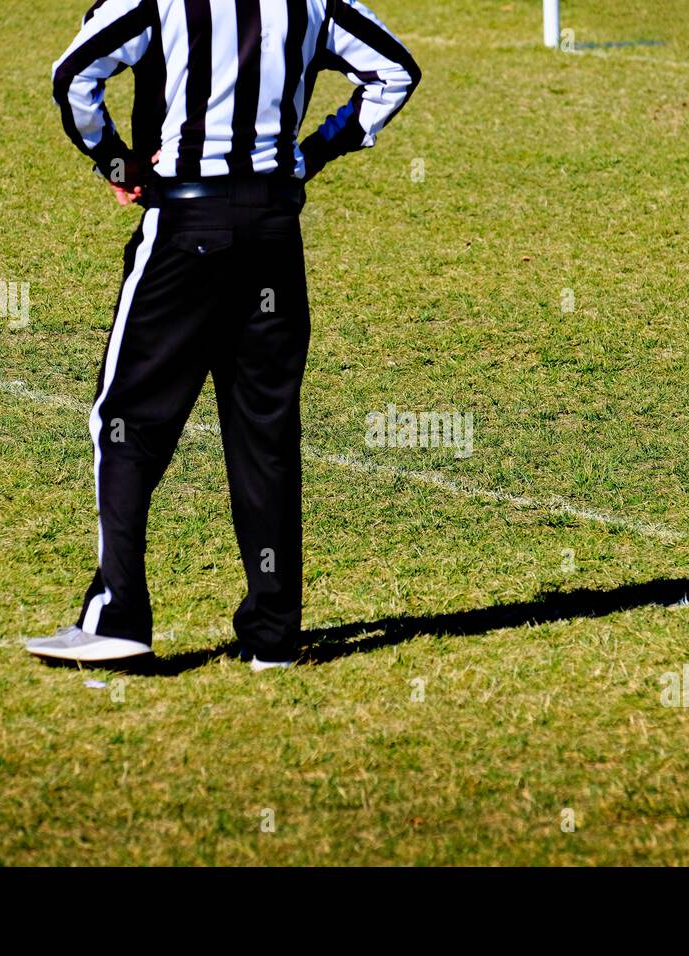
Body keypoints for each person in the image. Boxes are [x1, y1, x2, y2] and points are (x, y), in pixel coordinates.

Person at [25, 0, 420, 669]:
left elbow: (74, 76)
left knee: (125, 419)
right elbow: (395, 73)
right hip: (272, 233)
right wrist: (313, 151)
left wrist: (119, 166)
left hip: (187, 229)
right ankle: (273, 639)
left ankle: (118, 614)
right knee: (262, 431)